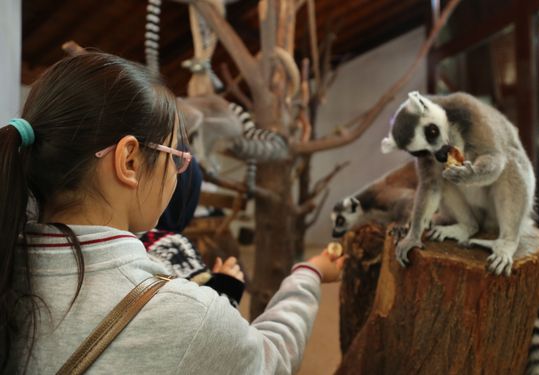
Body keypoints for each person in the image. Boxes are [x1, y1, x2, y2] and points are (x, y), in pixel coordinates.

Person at [1, 52, 345, 374]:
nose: (177, 172)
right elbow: (272, 357)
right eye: (174, 155)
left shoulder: (9, 267)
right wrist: (308, 275)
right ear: (130, 161)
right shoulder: (185, 313)